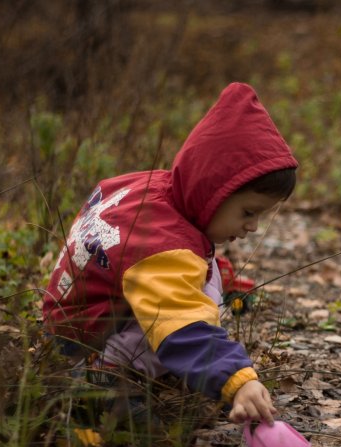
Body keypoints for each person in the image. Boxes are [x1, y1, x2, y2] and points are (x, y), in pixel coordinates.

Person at [42, 82, 297, 426]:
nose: (252, 227)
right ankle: (102, 381)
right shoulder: (165, 250)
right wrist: (237, 381)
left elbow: (177, 257)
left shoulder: (151, 189)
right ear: (213, 192)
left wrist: (227, 279)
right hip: (82, 339)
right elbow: (181, 324)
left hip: (71, 315)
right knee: (183, 312)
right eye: (248, 212)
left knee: (194, 285)